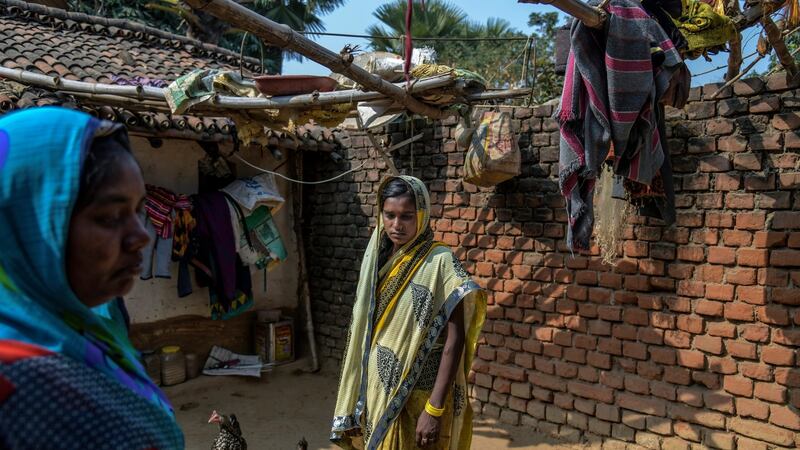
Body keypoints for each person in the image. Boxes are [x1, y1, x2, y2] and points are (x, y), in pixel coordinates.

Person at [0, 107, 184, 449]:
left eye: (138, 210)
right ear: (29, 224)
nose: (141, 235)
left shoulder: (87, 336)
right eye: (112, 216)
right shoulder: (25, 384)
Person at [331, 176, 486, 450]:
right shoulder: (377, 259)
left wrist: (434, 408)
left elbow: (455, 338)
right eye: (389, 215)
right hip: (379, 389)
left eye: (406, 216)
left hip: (421, 392)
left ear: (422, 216)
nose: (396, 225)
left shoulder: (440, 263)